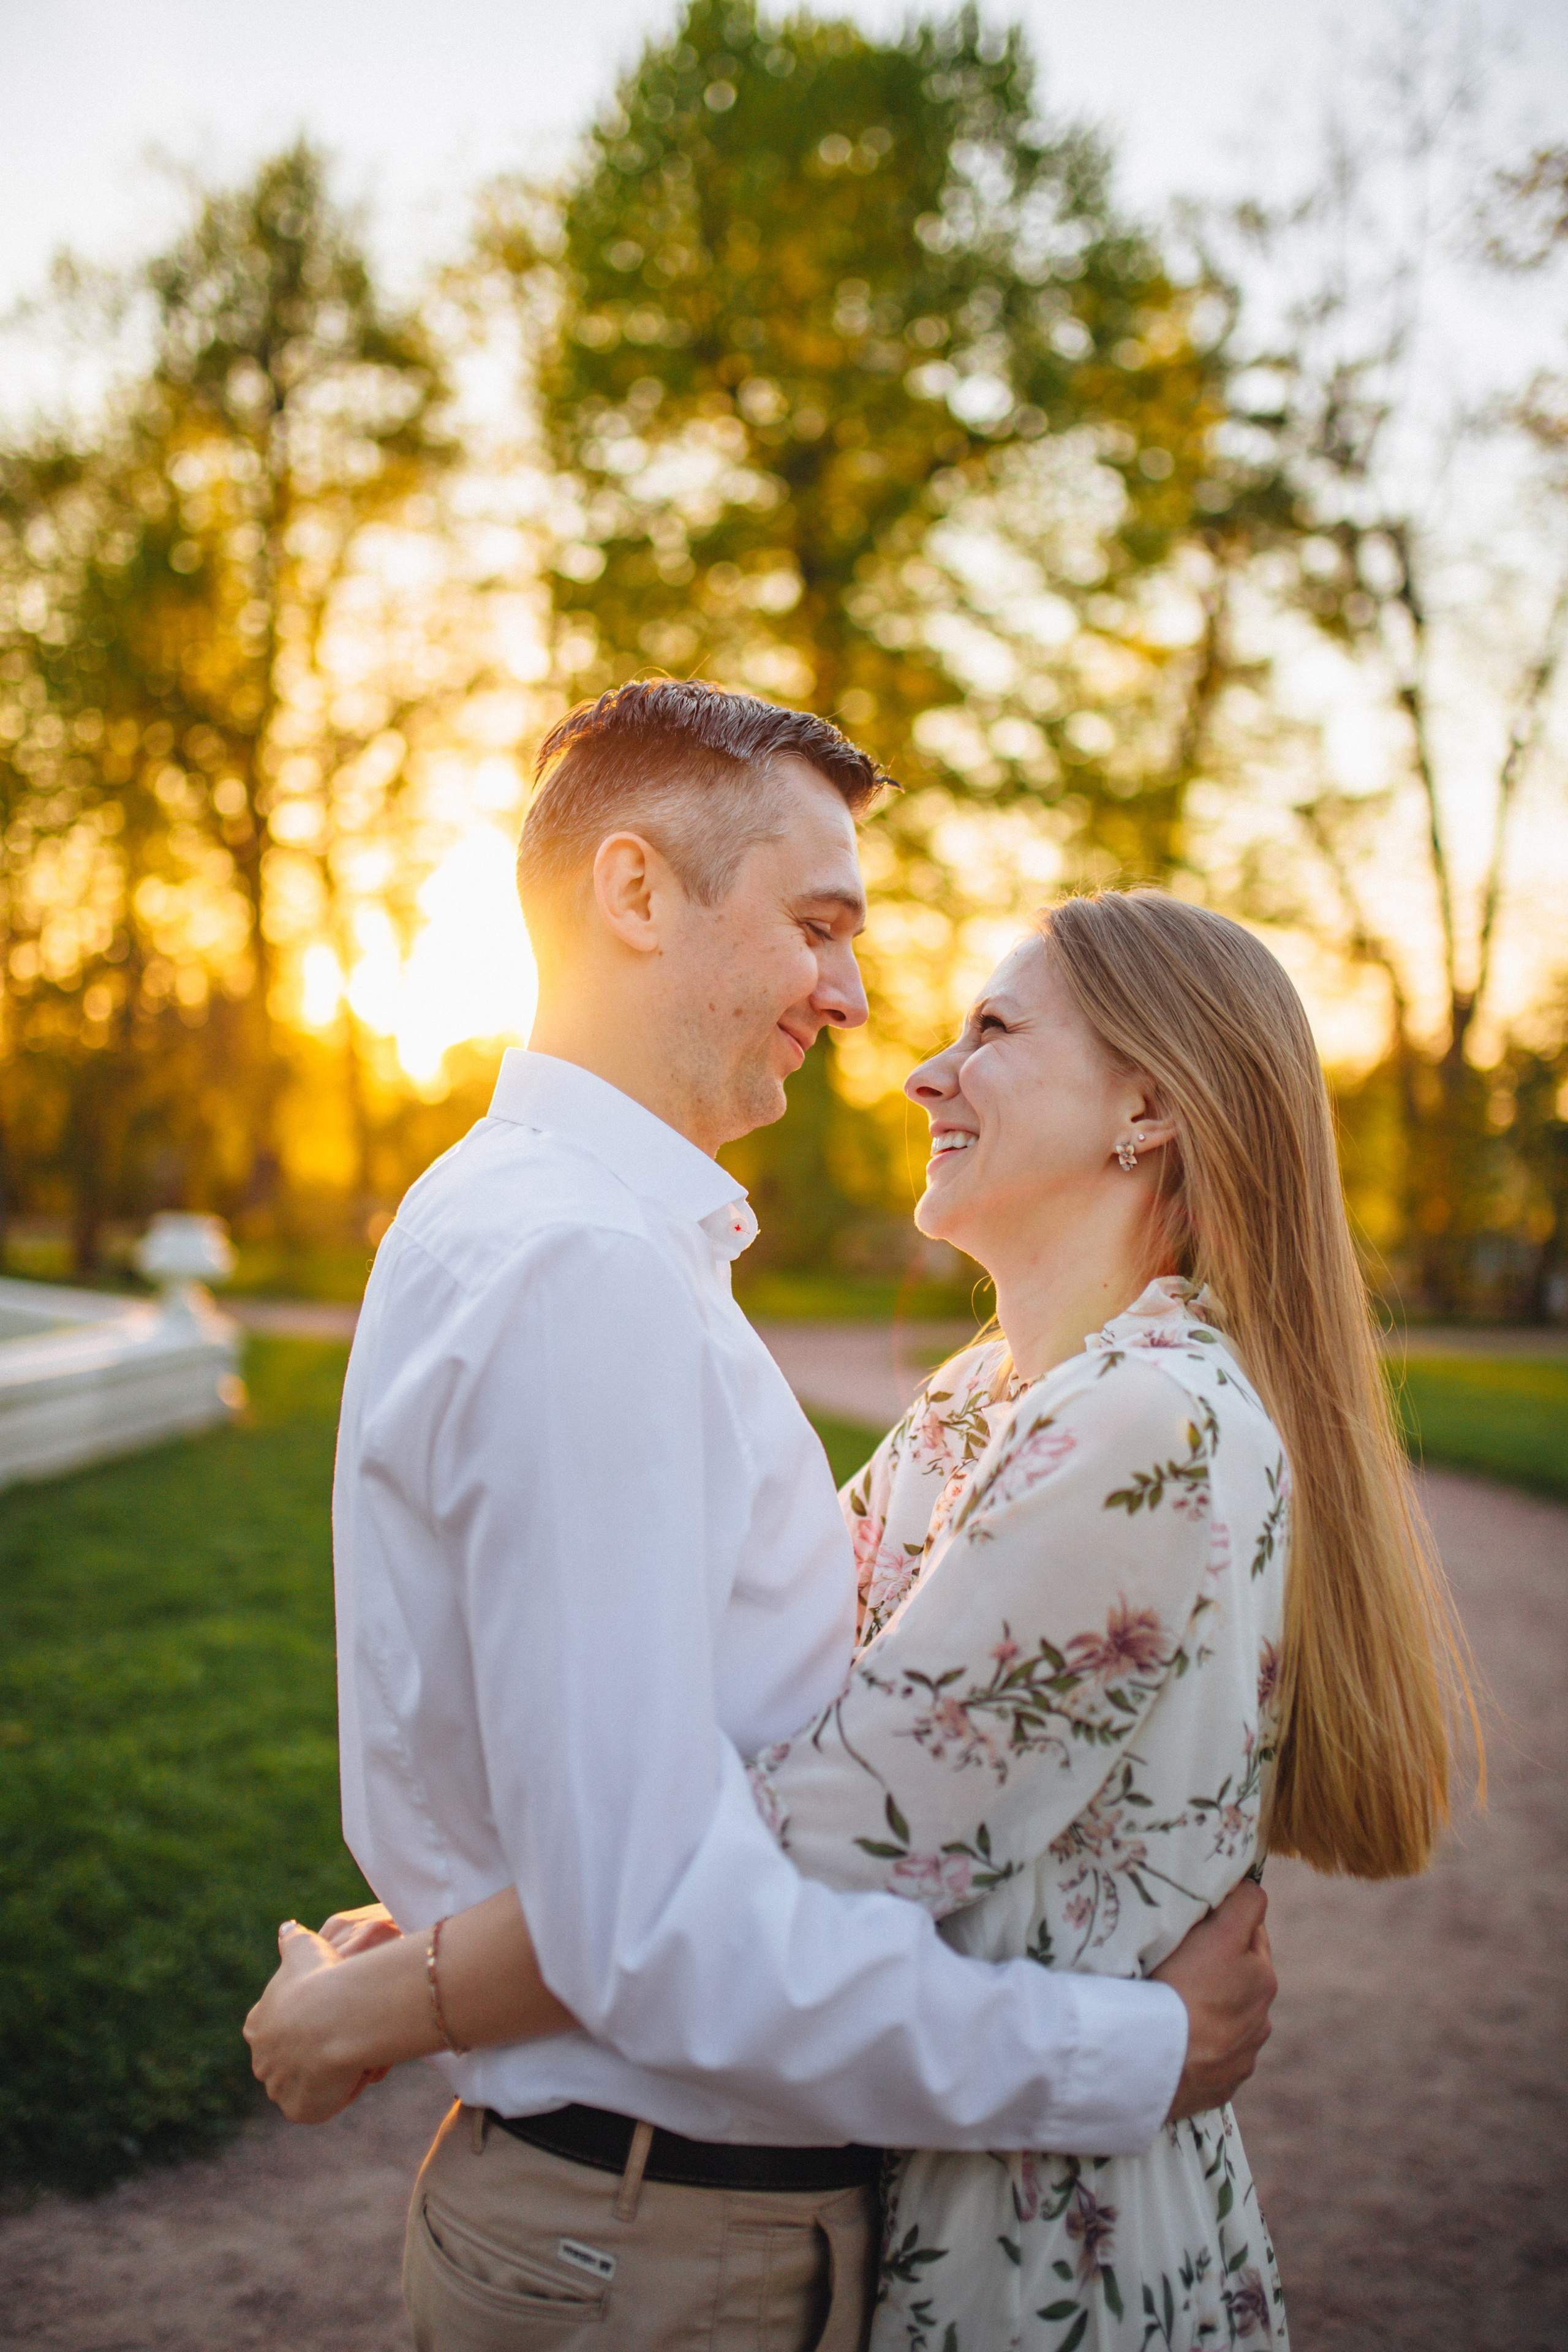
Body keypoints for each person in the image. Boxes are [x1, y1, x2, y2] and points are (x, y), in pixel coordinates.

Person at [247, 687, 1280, 2351]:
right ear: (638, 895)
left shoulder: (530, 1220)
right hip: (658, 2257)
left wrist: (410, 1965)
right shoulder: (588, 1270)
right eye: (818, 927)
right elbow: (663, 1928)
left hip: (635, 2225)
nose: (860, 1001)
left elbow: (634, 1806)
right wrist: (1140, 2056)